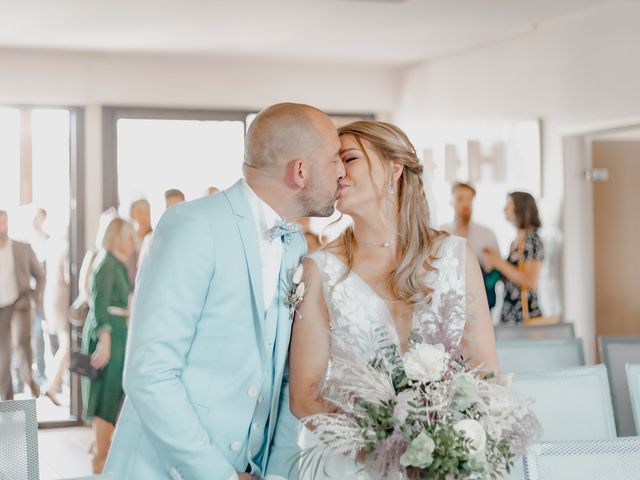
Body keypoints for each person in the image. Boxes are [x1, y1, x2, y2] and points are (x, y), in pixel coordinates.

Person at [104, 103, 345, 480]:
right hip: (163, 470)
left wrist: (279, 471)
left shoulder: (295, 245)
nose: (342, 172)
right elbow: (149, 374)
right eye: (334, 160)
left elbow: (283, 377)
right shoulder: (193, 225)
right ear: (300, 171)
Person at [288, 121, 499, 479]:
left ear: (394, 167)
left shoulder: (455, 257)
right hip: (353, 465)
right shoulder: (319, 270)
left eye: (349, 158)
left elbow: (485, 375)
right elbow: (305, 396)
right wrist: (384, 456)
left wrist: (447, 450)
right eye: (333, 162)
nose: (338, 171)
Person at [81, 217, 135, 473]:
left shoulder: (114, 263)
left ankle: (101, 454)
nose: (133, 242)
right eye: (129, 236)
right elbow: (99, 303)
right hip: (110, 335)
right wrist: (105, 339)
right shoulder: (107, 264)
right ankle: (100, 459)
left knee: (111, 393)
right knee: (106, 394)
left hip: (117, 333)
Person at [0, 209, 45, 400]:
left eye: (4, 222)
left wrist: (34, 296)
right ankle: (6, 398)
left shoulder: (21, 248)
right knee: (3, 354)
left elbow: (40, 275)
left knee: (20, 343)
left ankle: (29, 380)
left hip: (19, 304)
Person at [483, 192, 544, 324]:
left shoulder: (532, 240)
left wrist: (499, 263)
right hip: (510, 313)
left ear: (520, 208)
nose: (504, 209)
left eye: (509, 205)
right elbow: (512, 276)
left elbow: (531, 281)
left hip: (523, 316)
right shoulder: (516, 242)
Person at [441, 182, 501, 308]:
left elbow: (498, 272)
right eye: (460, 199)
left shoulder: (487, 235)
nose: (466, 204)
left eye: (469, 199)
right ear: (451, 202)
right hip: (446, 305)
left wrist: (491, 268)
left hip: (480, 305)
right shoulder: (441, 233)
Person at [43, 233, 70, 406]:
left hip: (52, 298)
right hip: (62, 301)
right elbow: (68, 277)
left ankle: (56, 386)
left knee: (63, 345)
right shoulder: (66, 248)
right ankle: (52, 386)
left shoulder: (52, 244)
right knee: (67, 346)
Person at [126, 198, 153, 284]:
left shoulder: (155, 239)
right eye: (139, 213)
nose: (143, 217)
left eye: (147, 213)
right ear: (131, 215)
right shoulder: (125, 242)